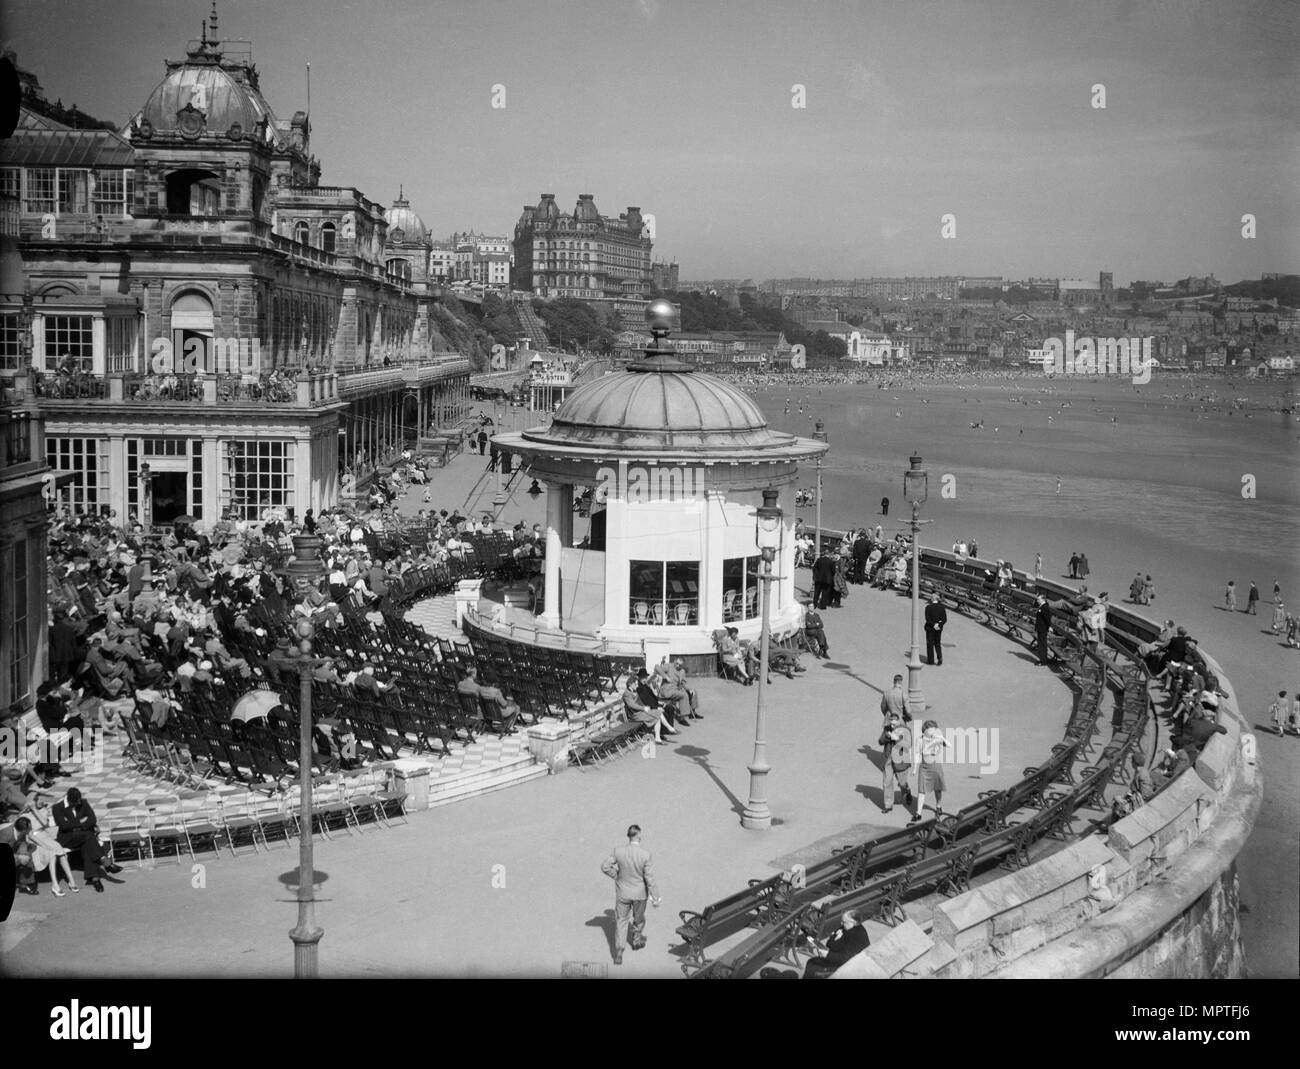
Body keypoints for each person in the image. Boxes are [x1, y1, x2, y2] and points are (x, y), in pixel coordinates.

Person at [600, 824, 661, 965]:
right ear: (638, 835)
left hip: (623, 892)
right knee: (639, 919)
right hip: (640, 894)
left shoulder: (618, 851)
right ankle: (636, 940)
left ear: (629, 836)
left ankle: (619, 951)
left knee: (621, 920)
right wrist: (655, 897)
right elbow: (649, 878)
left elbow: (605, 866)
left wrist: (617, 876)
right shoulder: (645, 855)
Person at [51, 786, 122, 892]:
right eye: (76, 802)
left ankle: (95, 879)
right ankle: (105, 861)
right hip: (67, 838)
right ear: (70, 800)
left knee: (87, 844)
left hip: (83, 836)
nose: (79, 803)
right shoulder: (57, 807)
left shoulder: (84, 803)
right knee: (89, 835)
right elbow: (63, 826)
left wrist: (75, 825)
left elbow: (92, 819)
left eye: (79, 800)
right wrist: (82, 822)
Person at [12, 814, 80, 896]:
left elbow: (44, 824)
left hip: (43, 840)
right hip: (33, 845)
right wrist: (44, 846)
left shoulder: (30, 818)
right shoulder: (21, 823)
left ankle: (71, 881)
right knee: (52, 855)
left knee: (61, 853)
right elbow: (30, 837)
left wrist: (45, 845)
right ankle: (55, 885)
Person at [803, 910, 871, 978]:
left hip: (848, 966)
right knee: (812, 962)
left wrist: (827, 954)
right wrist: (833, 939)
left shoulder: (858, 936)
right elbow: (829, 943)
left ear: (854, 922)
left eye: (844, 922)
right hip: (837, 958)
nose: (841, 923)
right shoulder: (846, 927)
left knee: (814, 967)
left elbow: (846, 959)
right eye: (842, 921)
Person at [910, 720, 950, 823]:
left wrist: (941, 738)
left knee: (938, 788)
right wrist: (915, 768)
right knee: (921, 790)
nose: (932, 732)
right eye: (930, 730)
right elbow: (917, 754)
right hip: (924, 767)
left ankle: (938, 806)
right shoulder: (920, 740)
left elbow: (948, 745)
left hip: (936, 766)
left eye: (934, 729)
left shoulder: (937, 739)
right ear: (925, 730)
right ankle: (918, 813)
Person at [879, 709, 914, 815]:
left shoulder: (905, 730)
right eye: (891, 724)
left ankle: (906, 791)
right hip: (888, 759)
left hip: (900, 760)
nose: (892, 726)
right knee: (887, 782)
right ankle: (888, 805)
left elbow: (908, 745)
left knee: (902, 782)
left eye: (894, 724)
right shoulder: (887, 729)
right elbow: (880, 741)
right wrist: (887, 737)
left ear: (899, 722)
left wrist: (897, 739)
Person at [622, 678, 677, 743]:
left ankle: (658, 738)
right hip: (635, 715)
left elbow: (640, 702)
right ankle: (669, 727)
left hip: (640, 712)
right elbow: (632, 705)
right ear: (630, 684)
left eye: (637, 684)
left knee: (658, 715)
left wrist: (646, 707)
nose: (637, 685)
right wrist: (643, 708)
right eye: (635, 684)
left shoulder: (634, 691)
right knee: (658, 714)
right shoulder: (627, 694)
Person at [924, 592, 947, 666]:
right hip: (938, 628)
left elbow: (927, 619)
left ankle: (931, 660)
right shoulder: (942, 607)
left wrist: (933, 624)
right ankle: (940, 658)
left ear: (932, 598)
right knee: (937, 643)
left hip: (930, 628)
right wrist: (939, 625)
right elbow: (944, 619)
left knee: (930, 644)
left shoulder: (928, 607)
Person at [1034, 594, 1054, 665]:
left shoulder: (1045, 607)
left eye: (1038, 599)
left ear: (1043, 599)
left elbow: (1047, 618)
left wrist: (1049, 627)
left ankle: (1043, 661)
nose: (1037, 600)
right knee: (1040, 644)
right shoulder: (1042, 606)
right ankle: (1041, 659)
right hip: (1040, 628)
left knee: (1042, 644)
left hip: (1043, 628)